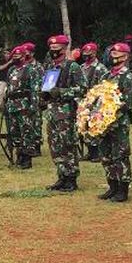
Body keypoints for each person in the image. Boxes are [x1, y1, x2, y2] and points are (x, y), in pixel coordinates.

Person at [42, 35, 87, 192]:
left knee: (67, 145)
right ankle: (62, 176)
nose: (54, 52)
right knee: (55, 146)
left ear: (64, 49)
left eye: (57, 50)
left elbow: (82, 89)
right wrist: (44, 94)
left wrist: (61, 92)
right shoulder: (51, 67)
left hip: (66, 113)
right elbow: (46, 87)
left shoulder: (72, 67)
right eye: (52, 49)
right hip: (52, 112)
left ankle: (71, 178)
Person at [97, 43, 132, 203]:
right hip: (103, 123)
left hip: (118, 122)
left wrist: (109, 112)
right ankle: (112, 186)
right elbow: (98, 96)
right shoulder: (106, 75)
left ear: (125, 57)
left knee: (120, 155)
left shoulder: (127, 77)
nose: (113, 56)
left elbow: (126, 103)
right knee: (106, 155)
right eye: (112, 53)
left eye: (117, 54)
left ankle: (123, 189)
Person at [6, 45, 40, 169]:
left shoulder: (30, 70)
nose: (15, 58)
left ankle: (27, 158)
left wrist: (33, 106)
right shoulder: (12, 70)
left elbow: (35, 89)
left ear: (24, 56)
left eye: (18, 56)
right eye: (13, 56)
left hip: (25, 106)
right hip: (12, 105)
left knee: (26, 131)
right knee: (15, 132)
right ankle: (19, 155)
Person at [80, 42, 108, 162]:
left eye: (89, 53)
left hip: (96, 102)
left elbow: (104, 87)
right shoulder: (81, 67)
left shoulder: (100, 68)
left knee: (95, 126)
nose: (87, 55)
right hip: (83, 102)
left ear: (95, 53)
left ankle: (97, 153)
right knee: (84, 126)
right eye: (85, 53)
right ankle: (90, 152)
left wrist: (97, 103)